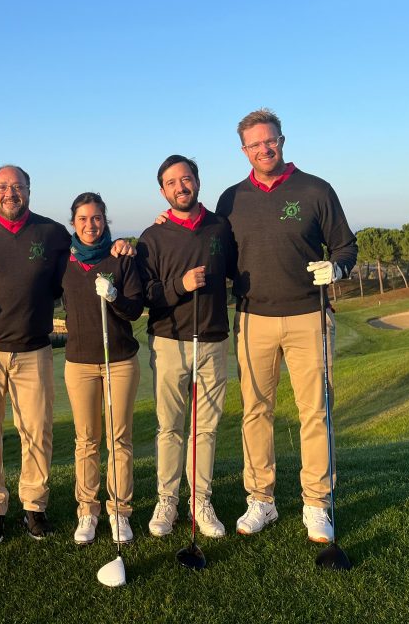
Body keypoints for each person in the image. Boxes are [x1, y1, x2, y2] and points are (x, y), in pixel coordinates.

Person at [0, 165, 133, 545]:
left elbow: (87, 254)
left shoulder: (51, 234)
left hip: (33, 348)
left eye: (17, 186)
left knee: (37, 431)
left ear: (28, 190)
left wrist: (121, 245)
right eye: (2, 187)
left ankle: (34, 507)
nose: (10, 193)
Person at [215, 108, 357, 543]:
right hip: (252, 318)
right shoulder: (230, 199)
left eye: (270, 140)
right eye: (255, 144)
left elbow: (346, 246)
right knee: (256, 412)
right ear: (244, 150)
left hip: (309, 315)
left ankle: (317, 503)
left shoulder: (316, 189)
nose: (264, 148)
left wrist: (336, 269)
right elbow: (211, 249)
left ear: (282, 140)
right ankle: (262, 499)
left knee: (315, 411)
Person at [137, 155, 235, 540]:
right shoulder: (152, 236)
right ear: (162, 191)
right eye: (172, 182)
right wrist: (180, 285)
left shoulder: (220, 227)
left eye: (186, 178)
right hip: (169, 341)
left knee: (205, 428)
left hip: (213, 339)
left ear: (197, 181)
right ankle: (167, 500)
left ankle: (201, 500)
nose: (181, 187)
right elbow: (146, 294)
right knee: (170, 427)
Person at [62, 193, 143, 545]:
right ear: (73, 223)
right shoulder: (63, 260)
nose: (90, 225)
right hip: (79, 362)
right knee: (86, 441)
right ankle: (87, 510)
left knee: (119, 439)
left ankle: (119, 511)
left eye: (96, 218)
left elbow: (134, 309)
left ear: (105, 220)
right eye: (83, 218)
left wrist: (114, 296)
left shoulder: (120, 257)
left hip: (119, 360)